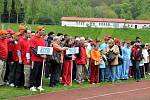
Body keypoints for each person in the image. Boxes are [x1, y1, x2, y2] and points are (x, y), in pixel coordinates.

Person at [28, 26, 46, 91]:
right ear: (38, 31)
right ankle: (32, 86)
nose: (43, 31)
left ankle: (38, 85)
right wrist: (40, 55)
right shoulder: (33, 39)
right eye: (42, 30)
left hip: (42, 60)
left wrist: (45, 54)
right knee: (34, 73)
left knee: (40, 73)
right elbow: (33, 49)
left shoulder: (42, 39)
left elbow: (44, 49)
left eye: (44, 30)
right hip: (35, 59)